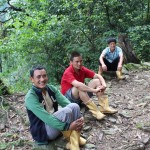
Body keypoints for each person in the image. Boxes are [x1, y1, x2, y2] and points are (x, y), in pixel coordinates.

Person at [25, 65, 86, 150]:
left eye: (44, 76)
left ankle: (75, 141)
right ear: (32, 79)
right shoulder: (30, 97)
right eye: (38, 77)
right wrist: (67, 127)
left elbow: (66, 103)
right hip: (44, 131)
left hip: (56, 125)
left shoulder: (51, 88)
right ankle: (74, 145)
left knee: (74, 106)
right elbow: (47, 118)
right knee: (67, 111)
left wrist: (80, 116)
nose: (42, 79)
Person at [61, 51, 117, 121]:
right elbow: (78, 85)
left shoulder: (82, 69)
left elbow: (97, 75)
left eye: (81, 61)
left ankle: (104, 107)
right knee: (79, 87)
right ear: (71, 62)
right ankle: (96, 112)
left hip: (80, 96)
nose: (79, 63)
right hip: (69, 100)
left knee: (97, 81)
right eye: (77, 61)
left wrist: (104, 84)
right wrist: (94, 90)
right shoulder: (68, 72)